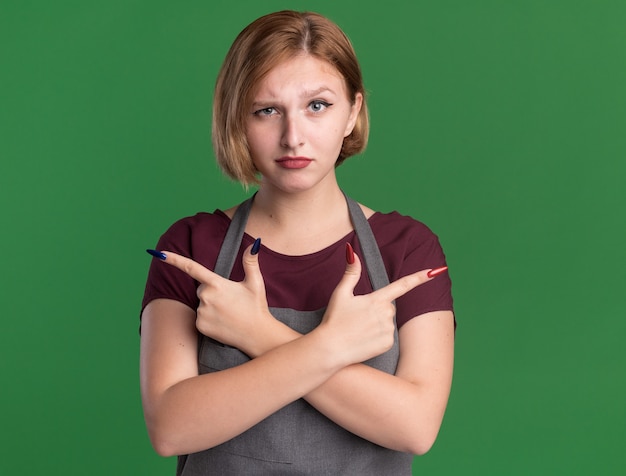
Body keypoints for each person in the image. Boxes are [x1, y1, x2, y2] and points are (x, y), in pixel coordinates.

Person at [141, 10, 455, 475]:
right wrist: (329, 348)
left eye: (318, 106)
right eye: (267, 110)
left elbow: (415, 426)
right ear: (237, 120)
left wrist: (258, 333)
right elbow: (170, 428)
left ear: (353, 112)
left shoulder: (406, 249)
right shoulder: (192, 246)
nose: (293, 137)